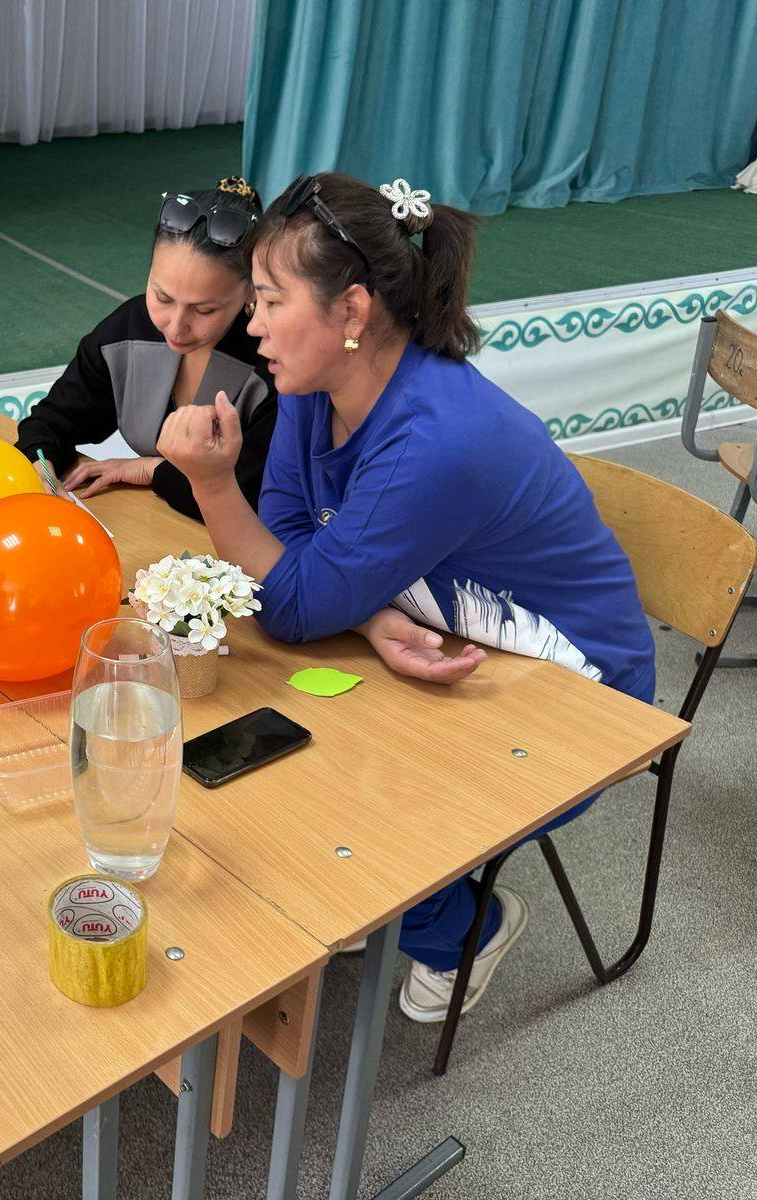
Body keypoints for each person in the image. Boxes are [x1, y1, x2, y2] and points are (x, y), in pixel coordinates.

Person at [157, 173, 655, 1022]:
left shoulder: (436, 439)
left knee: (334, 786)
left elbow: (290, 603)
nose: (253, 323)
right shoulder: (319, 383)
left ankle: (465, 928)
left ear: (352, 311)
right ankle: (387, 894)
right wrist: (367, 612)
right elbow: (287, 540)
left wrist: (211, 485)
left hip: (577, 691)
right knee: (281, 742)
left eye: (270, 299)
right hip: (454, 632)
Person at [14, 177, 278, 519]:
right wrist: (42, 469)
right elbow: (50, 422)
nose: (176, 326)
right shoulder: (128, 329)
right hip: (160, 526)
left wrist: (152, 470)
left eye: (204, 310)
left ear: (251, 292)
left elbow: (256, 495)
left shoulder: (276, 364)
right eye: (162, 297)